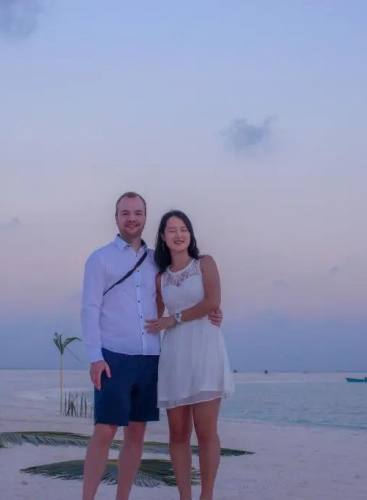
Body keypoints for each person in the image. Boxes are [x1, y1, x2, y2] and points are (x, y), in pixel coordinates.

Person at [80, 192, 222, 500]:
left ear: (145, 217)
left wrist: (213, 311)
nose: (132, 218)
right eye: (125, 213)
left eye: (138, 213)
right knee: (104, 430)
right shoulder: (100, 258)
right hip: (114, 356)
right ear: (116, 217)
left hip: (151, 357)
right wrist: (95, 356)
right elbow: (89, 309)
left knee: (137, 432)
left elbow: (177, 299)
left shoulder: (157, 261)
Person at [145, 209, 235, 500]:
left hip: (205, 351)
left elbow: (212, 301)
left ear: (190, 233)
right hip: (175, 356)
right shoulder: (160, 278)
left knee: (206, 432)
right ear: (163, 236)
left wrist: (176, 319)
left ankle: (206, 495)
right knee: (178, 433)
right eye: (172, 230)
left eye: (183, 229)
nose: (178, 234)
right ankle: (184, 496)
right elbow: (154, 316)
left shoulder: (204, 263)